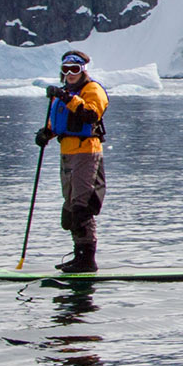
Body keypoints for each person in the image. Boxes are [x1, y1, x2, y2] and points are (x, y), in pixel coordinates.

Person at [36, 50, 110, 272]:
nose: (69, 74)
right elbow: (56, 123)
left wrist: (67, 97)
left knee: (81, 206)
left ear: (83, 71)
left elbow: (91, 114)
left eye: (74, 69)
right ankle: (79, 254)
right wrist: (45, 134)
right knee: (69, 211)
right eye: (66, 70)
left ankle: (87, 260)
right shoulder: (64, 93)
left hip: (87, 152)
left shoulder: (92, 90)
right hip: (67, 153)